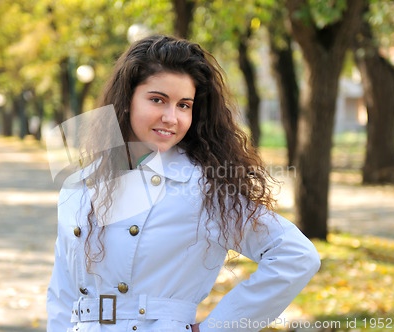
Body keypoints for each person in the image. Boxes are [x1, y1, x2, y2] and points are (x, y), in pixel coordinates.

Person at [47, 35, 320, 332]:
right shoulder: (81, 184)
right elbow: (62, 295)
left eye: (184, 105)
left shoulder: (202, 187)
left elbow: (295, 255)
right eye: (157, 100)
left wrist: (216, 328)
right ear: (126, 101)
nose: (171, 118)